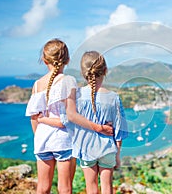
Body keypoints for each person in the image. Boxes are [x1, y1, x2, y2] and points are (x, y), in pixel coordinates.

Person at [25, 39, 113, 194]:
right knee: (65, 188)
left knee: (42, 188)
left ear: (45, 60)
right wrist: (98, 127)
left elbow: (34, 118)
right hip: (63, 141)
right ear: (67, 60)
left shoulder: (37, 84)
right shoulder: (69, 81)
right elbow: (71, 117)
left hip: (41, 141)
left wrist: (41, 134)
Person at [61, 51, 128, 194]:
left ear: (83, 72)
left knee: (91, 188)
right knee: (107, 188)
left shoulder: (76, 96)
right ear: (105, 71)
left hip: (86, 149)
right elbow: (119, 131)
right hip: (108, 149)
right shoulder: (113, 98)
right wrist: (117, 155)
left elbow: (66, 120)